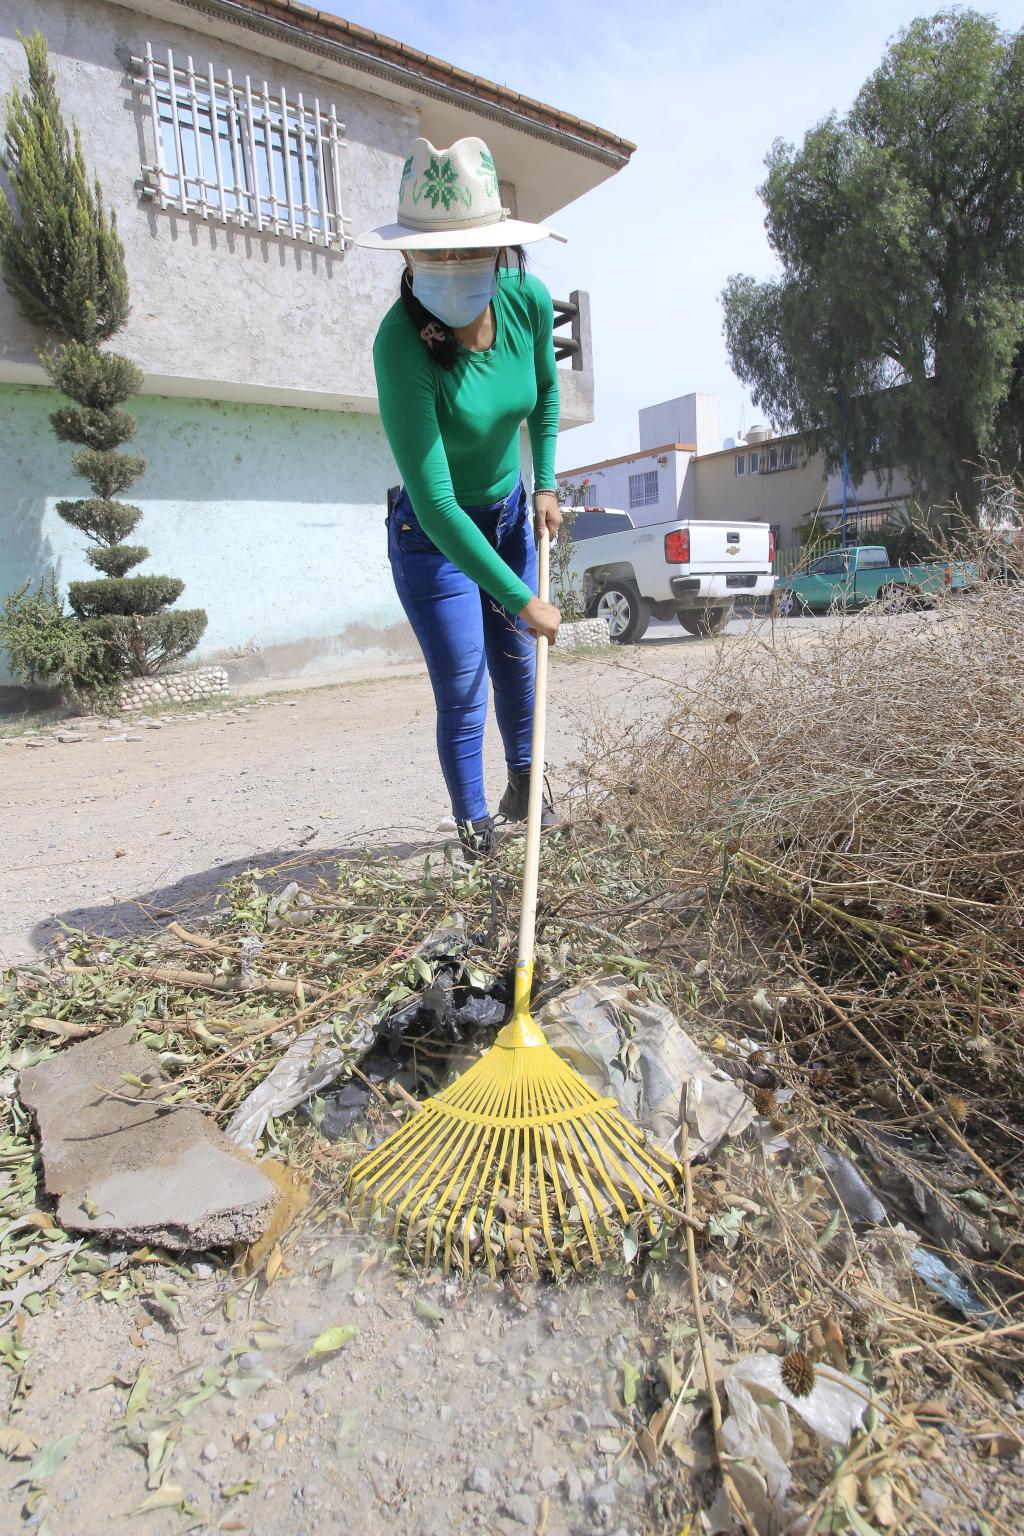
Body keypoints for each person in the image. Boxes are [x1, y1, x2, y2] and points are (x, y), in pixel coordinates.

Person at [354, 136, 564, 860]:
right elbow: (439, 503)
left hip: (507, 515)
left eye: (464, 251)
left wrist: (546, 484)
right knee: (467, 684)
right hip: (434, 538)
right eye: (431, 253)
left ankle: (528, 793)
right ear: (407, 257)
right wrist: (524, 597)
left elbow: (544, 393)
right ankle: (476, 831)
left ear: (498, 251)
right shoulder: (400, 348)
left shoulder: (527, 302)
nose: (447, 266)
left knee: (517, 664)